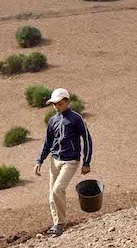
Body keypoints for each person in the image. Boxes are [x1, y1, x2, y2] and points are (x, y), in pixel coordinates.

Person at [34, 88, 93, 237]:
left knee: (57, 190)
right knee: (51, 194)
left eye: (60, 103)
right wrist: (39, 160)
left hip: (71, 161)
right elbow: (47, 142)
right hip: (54, 160)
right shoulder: (53, 120)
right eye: (54, 104)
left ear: (67, 102)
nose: (57, 107)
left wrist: (86, 162)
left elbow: (87, 139)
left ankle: (60, 223)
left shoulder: (76, 118)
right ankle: (57, 223)